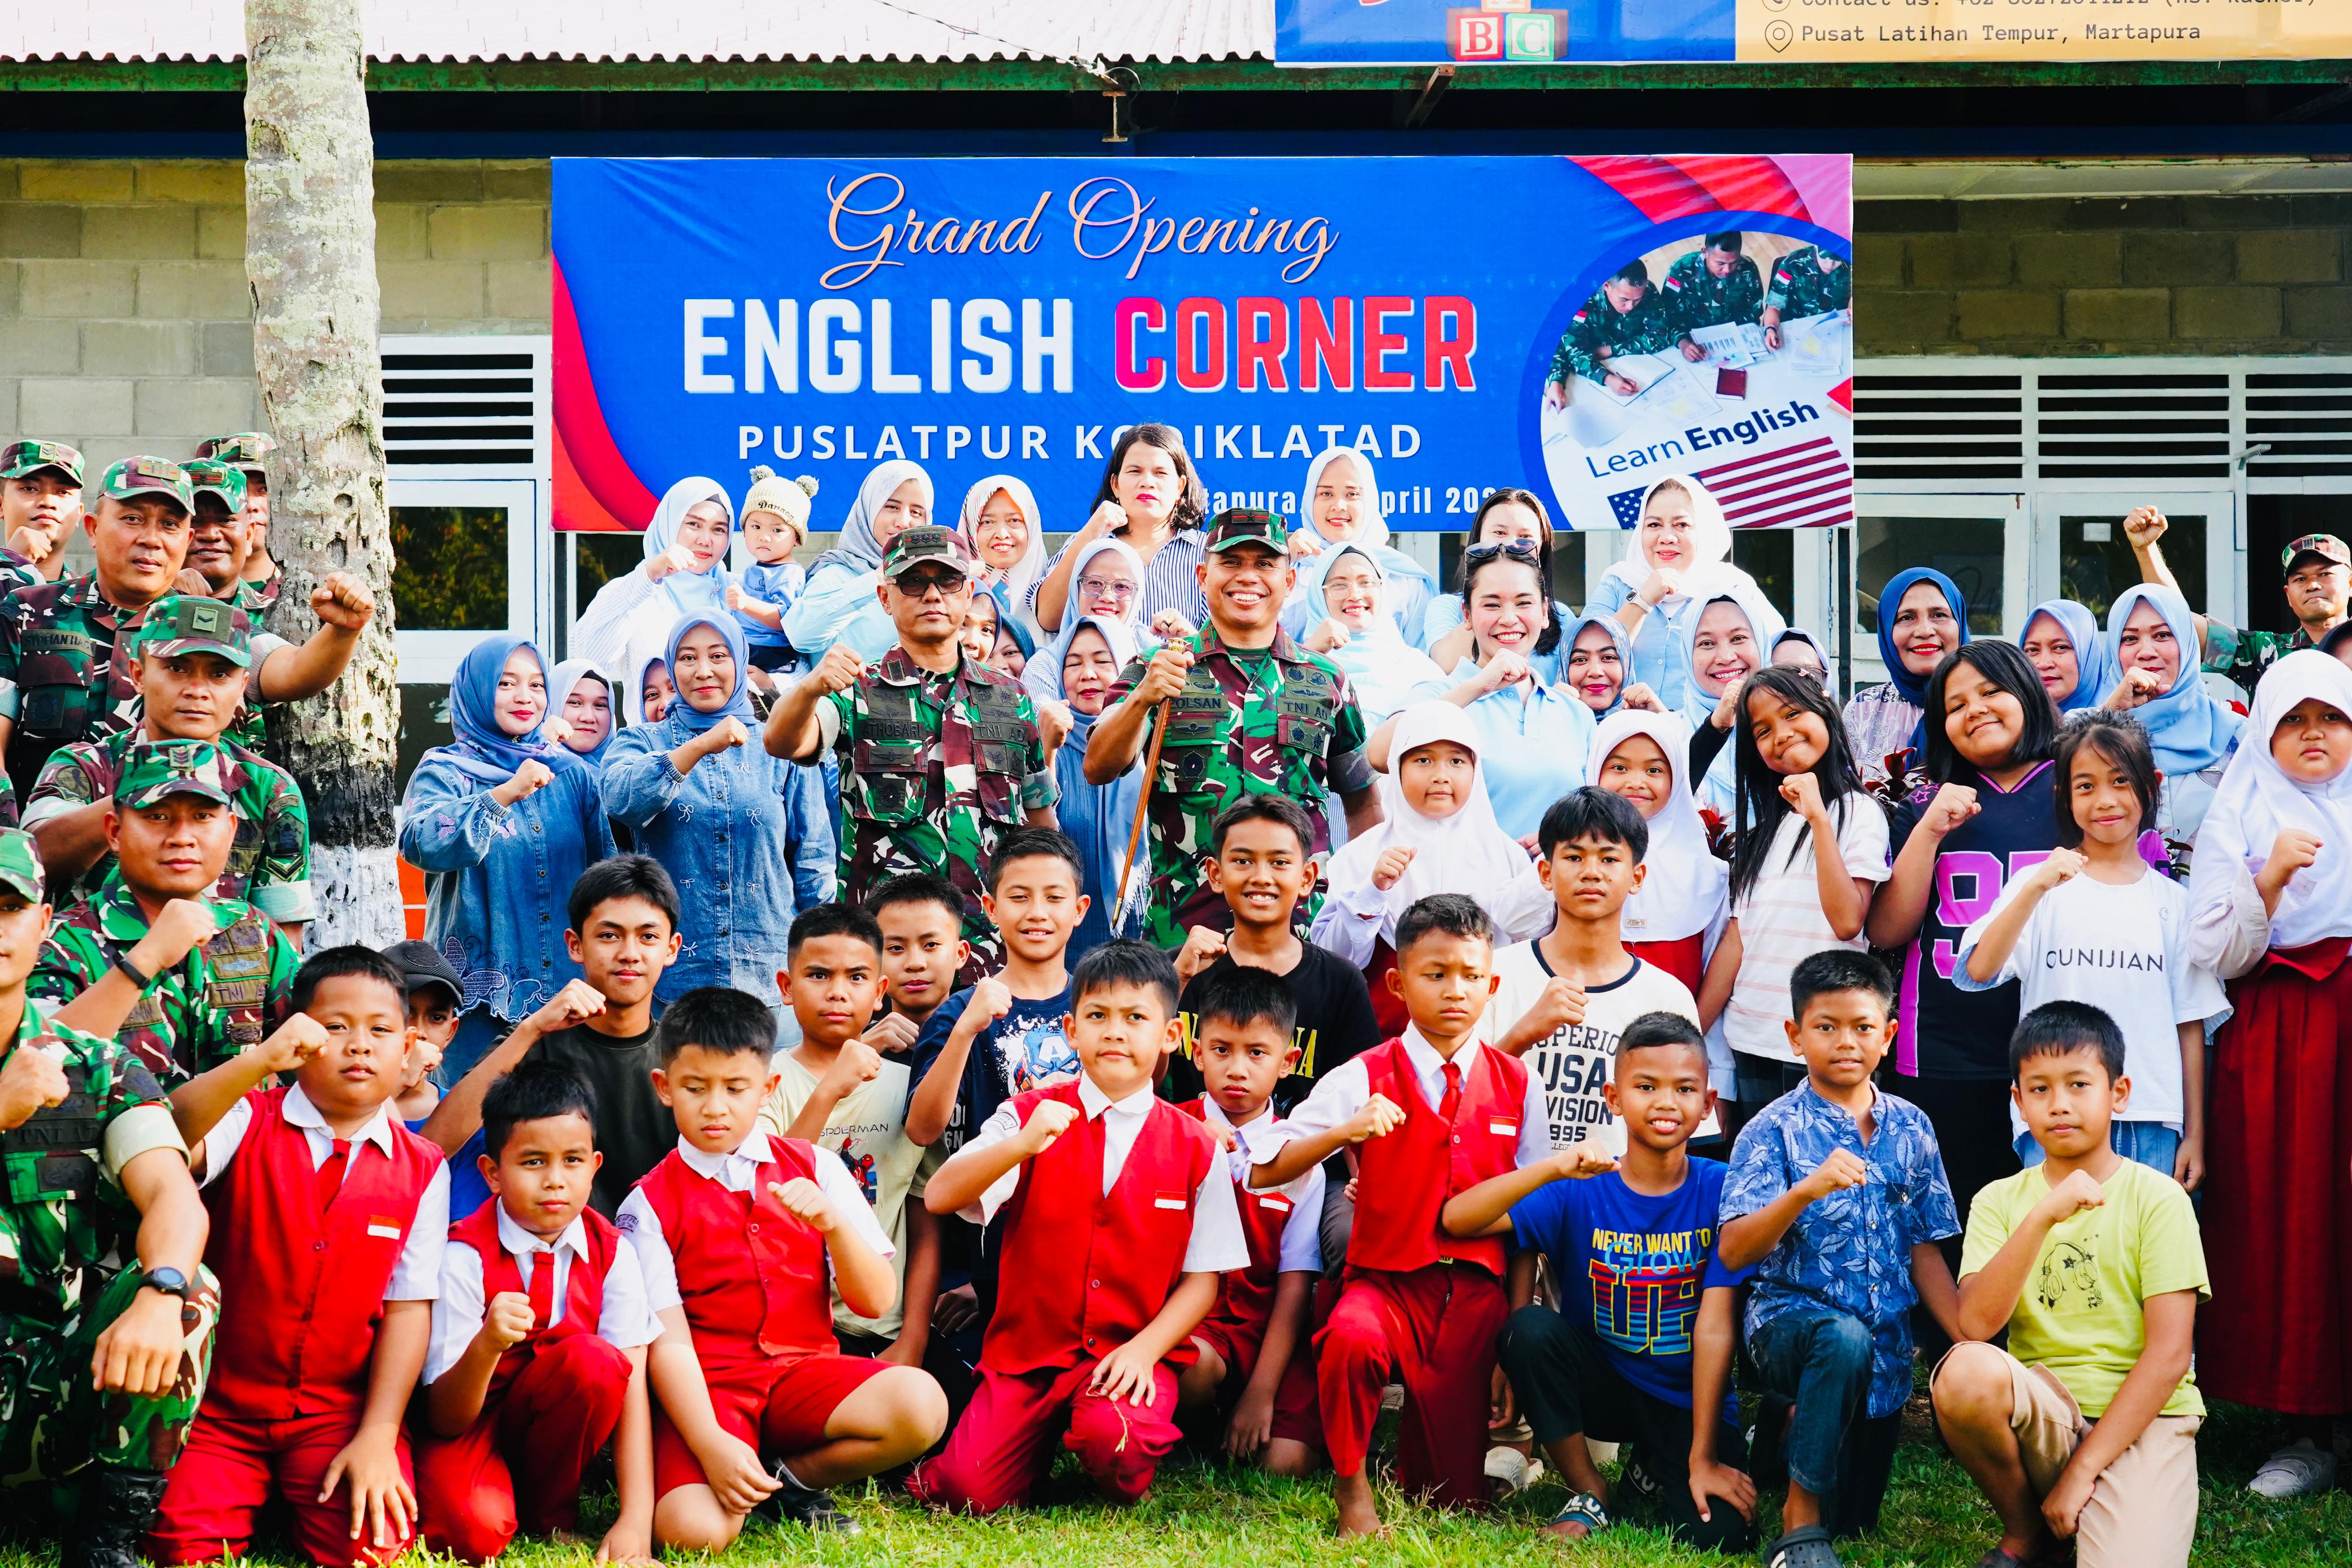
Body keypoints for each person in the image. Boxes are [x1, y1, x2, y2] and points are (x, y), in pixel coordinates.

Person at [1249, 894, 1546, 1536]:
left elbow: (1531, 1219)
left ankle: (1437, 1457)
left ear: (1492, 985)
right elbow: (1263, 1168)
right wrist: (1344, 1132)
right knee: (1350, 1336)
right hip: (1382, 1283)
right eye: (1435, 973)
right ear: (1397, 983)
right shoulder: (1362, 1075)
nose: (1454, 990)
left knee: (1450, 1499)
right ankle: (1352, 1486)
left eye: (1470, 975)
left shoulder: (1520, 1083)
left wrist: (1514, 1322)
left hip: (1475, 1294)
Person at [912, 941, 1244, 1513]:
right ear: (1071, 1030)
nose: (1114, 1032)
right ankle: (1023, 1448)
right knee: (965, 1493)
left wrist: (1144, 1352)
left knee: (1116, 1444)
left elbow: (1202, 1281)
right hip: (1026, 1357)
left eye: (1135, 1017)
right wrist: (1021, 1145)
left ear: (1170, 1035)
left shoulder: (1197, 1146)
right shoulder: (1027, 1116)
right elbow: (941, 1195)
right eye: (1097, 1015)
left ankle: (1102, 1443)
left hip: (1124, 1352)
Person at [620, 986, 946, 1547]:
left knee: (921, 1404)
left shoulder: (814, 1165)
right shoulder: (646, 1203)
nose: (715, 1106)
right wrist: (709, 1443)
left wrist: (835, 1226)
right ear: (664, 1087)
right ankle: (730, 1465)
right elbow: (668, 1345)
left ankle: (789, 1482)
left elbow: (875, 1300)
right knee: (694, 1533)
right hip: (712, 1392)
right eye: (695, 1088)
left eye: (735, 1088)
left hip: (803, 1378)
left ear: (767, 1088)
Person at [150, 947, 446, 1568]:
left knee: (372, 1548)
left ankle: (299, 1491)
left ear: (408, 1048)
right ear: (297, 1033)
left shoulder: (422, 1167)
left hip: (335, 1412)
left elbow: (409, 1306)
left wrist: (378, 1433)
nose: (359, 1045)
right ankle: (248, 1491)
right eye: (335, 1026)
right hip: (220, 1408)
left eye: (380, 1030)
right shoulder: (246, 1118)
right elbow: (168, 1135)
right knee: (182, 1546)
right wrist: (258, 1061)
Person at [0, 824, 217, 1568]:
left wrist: (160, 1291)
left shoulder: (96, 1067)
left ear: (45, 924)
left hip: (45, 1381)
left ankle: (106, 1540)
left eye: (9, 907)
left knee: (188, 1288)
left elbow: (174, 1198)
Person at [1465, 1012, 1757, 1551]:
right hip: (1602, 1383)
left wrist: (1704, 1458)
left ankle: (1655, 1466)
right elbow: (1462, 1219)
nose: (1665, 1102)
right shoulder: (1581, 1185)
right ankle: (1590, 1489)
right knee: (1529, 1330)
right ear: (1614, 1098)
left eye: (1684, 1089)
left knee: (1718, 1536)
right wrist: (1551, 1168)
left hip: (1689, 1399)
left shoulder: (1725, 1190)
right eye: (1646, 1087)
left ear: (1708, 1103)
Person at [1932, 1002, 2208, 1568]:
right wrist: (2041, 1216)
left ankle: (2087, 1499)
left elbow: (2168, 1355)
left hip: (2145, 1420)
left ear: (2118, 1093)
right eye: (2039, 1088)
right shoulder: (1998, 1201)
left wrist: (2082, 1471)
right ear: (2018, 1102)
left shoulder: (2158, 1198)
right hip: (2046, 1408)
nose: (2058, 1103)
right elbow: (1975, 1326)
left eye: (2078, 1084)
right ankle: (2026, 1531)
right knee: (1964, 1371)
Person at [1716, 951, 1962, 1565]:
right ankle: (1798, 1521)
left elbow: (1923, 1245)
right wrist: (1804, 1190)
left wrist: (1965, 1339)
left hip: (1883, 1354)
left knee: (1854, 1517)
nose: (1845, 1041)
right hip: (1787, 1329)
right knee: (1840, 1337)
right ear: (1794, 1035)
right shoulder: (1771, 1128)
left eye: (1861, 1026)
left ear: (1888, 1035)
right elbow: (1735, 1249)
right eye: (1825, 1026)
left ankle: (1782, 1430)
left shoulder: (1912, 1127)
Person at [2183, 649, 2352, 1496]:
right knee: (2290, 1208)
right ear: (2265, 733)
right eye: (2293, 720)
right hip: (2279, 1026)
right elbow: (2214, 949)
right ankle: (2303, 1420)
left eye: (2331, 718)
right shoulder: (2241, 807)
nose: (2313, 734)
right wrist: (2273, 875)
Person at [771, 525, 1062, 974]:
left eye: (947, 581)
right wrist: (810, 687)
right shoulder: (856, 691)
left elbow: (1040, 823)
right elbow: (784, 742)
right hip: (888, 956)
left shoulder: (1011, 698)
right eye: (912, 582)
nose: (932, 595)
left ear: (968, 593)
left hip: (990, 953)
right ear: (885, 598)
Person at [0, 455, 374, 804]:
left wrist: (342, 632)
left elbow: (292, 671)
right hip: (53, 834)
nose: (151, 539)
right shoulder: (28, 612)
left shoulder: (209, 621)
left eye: (170, 525)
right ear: (94, 529)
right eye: (133, 519)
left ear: (186, 538)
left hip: (181, 837)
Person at [1085, 508, 1378, 947]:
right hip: (1185, 934)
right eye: (1231, 562)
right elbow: (1098, 766)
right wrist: (1143, 697)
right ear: (1203, 576)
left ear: (1289, 580)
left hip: (1301, 933)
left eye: (1264, 564)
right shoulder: (1157, 668)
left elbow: (1363, 802)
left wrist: (1359, 897)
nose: (1248, 576)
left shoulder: (1325, 678)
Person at [1957, 712, 2225, 1186]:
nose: (2105, 800)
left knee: (2141, 1237)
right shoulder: (2038, 885)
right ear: (2064, 795)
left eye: (2121, 781)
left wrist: (2197, 1135)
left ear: (2151, 785)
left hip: (2150, 1118)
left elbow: (2190, 1025)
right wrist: (2035, 888)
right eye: (2086, 786)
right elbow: (1979, 970)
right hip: (2053, 1115)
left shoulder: (2175, 903)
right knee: (2056, 1235)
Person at [415, 1065, 659, 1566]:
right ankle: (494, 1498)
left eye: (572, 1161)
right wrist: (487, 1345)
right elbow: (444, 1418)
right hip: (470, 1426)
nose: (555, 1181)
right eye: (533, 1162)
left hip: (550, 1424)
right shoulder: (462, 1255)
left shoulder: (613, 1252)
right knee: (471, 1533)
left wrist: (637, 1519)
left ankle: (547, 1514)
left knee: (595, 1361)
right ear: (492, 1173)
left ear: (594, 1166)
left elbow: (630, 1385)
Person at [1867, 641, 2061, 1236]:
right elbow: (1888, 929)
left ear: (2028, 693)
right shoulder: (1927, 802)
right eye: (1954, 705)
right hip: (1943, 1050)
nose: (1974, 709)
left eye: (1990, 691)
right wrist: (1929, 829)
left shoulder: (2076, 788)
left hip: (2059, 1047)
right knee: (1951, 1227)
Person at [399, 635, 617, 1085]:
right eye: (506, 683)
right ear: (478, 690)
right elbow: (421, 845)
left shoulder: (572, 774)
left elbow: (605, 879)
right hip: (475, 1003)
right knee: (471, 1116)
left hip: (567, 994)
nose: (524, 697)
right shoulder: (445, 771)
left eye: (536, 685)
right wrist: (504, 794)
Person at [25, 595, 313, 933]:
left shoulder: (269, 789)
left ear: (241, 687)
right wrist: (143, 787)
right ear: (138, 674)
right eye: (177, 669)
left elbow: (283, 935)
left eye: (219, 674)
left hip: (220, 963)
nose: (197, 690)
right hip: (92, 959)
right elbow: (37, 858)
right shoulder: (85, 766)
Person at [422, 854, 683, 1222]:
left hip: (661, 1247)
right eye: (609, 935)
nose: (629, 954)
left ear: (671, 948)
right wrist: (531, 1030)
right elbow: (433, 1147)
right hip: (547, 1246)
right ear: (575, 945)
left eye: (648, 937)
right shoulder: (532, 1040)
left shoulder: (685, 1056)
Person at [31, 739, 299, 1088]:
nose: (182, 838)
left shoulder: (255, 932)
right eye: (157, 817)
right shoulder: (62, 945)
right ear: (115, 832)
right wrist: (145, 960)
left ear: (231, 830)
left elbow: (318, 1055)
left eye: (202, 817)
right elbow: (39, 1070)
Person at [600, 612, 834, 1006]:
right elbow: (622, 802)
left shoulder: (779, 745)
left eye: (718, 656)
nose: (704, 671)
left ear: (741, 662)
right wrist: (698, 747)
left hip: (769, 977)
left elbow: (813, 859)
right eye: (688, 658)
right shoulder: (641, 741)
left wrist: (822, 957)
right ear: (672, 668)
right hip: (668, 980)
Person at [760, 904, 945, 1383]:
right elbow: (768, 1196)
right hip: (786, 1327)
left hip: (880, 1326)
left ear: (880, 992)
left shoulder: (909, 1088)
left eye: (857, 977)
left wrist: (913, 1340)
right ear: (786, 986)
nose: (838, 992)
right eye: (819, 975)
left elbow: (924, 1223)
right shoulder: (763, 1082)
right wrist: (829, 1090)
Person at [1699, 669, 1887, 1132]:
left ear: (1825, 712)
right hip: (1751, 1039)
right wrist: (1689, 1030)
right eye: (1763, 731)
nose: (1780, 735)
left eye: (1791, 714)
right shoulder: (1764, 832)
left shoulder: (1860, 813)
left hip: (1824, 1042)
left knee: (1829, 1170)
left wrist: (1818, 818)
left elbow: (1848, 920)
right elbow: (1737, 940)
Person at [1488, 787, 1709, 1154]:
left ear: (1637, 877)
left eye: (1609, 859)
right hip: (1509, 1186)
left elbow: (1681, 1131)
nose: (1591, 873)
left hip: (1617, 1187)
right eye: (1574, 857)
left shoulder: (1667, 996)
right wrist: (1524, 1033)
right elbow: (1455, 1099)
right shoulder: (1494, 974)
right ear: (1545, 872)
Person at [1170, 967, 1326, 1478]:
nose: (1237, 1069)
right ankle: (1198, 1425)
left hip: (1268, 1332)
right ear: (1197, 1052)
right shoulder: (1169, 1127)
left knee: (1287, 1462)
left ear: (1288, 1061)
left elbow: (1295, 1283)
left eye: (1257, 1053)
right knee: (1189, 1372)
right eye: (1222, 1050)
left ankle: (1242, 1412)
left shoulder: (1300, 1156)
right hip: (1194, 1327)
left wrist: (1261, 1392)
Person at [1316, 701, 1551, 1036]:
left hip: (1484, 1035)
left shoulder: (1508, 857)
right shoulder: (1360, 856)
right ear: (1398, 767)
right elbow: (1332, 957)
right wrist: (1372, 891)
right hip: (1381, 1039)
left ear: (1475, 770)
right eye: (1423, 760)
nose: (1441, 775)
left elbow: (1528, 951)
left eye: (1456, 761)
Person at [1163, 795, 1382, 1114]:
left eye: (1279, 862)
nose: (1261, 877)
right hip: (1193, 1144)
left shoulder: (1339, 982)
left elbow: (1363, 1099)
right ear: (1215, 874)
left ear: (1307, 878)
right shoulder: (1181, 967)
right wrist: (1177, 982)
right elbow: (1138, 1081)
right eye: (1243, 861)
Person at [1383, 540, 1589, 841]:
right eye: (1492, 605)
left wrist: (1559, 835)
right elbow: (1379, 754)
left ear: (1545, 612)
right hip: (1463, 871)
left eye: (1524, 603)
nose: (1509, 618)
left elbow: (1597, 810)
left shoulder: (1574, 711)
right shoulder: (1439, 693)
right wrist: (1479, 686)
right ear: (1466, 615)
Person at [906, 829, 1089, 1154]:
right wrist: (965, 1031)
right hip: (995, 1185)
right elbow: (922, 1131)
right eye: (1019, 897)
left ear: (1079, 909)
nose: (1037, 912)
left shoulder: (1098, 1004)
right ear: (991, 908)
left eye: (1054, 898)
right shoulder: (959, 1014)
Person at [1022, 610, 1143, 960]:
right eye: (1073, 664)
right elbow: (1037, 839)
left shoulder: (1151, 738)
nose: (1087, 674)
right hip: (1063, 940)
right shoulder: (1047, 742)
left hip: (1142, 937)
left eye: (1103, 661)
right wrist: (1046, 750)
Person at [1588, 475, 1764, 713]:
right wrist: (1643, 600)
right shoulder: (1618, 582)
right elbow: (1584, 656)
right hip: (1624, 728)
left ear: (1704, 531)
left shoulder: (1734, 588)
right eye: (1654, 525)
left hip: (1712, 729)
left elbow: (1774, 658)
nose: (1667, 537)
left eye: (1682, 525)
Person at [2126, 506, 2351, 691]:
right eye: (2300, 579)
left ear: (2350, 584)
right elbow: (2180, 619)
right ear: (2289, 596)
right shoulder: (2264, 651)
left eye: (2325, 575)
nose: (2313, 585)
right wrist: (2146, 550)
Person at [1586, 711, 1730, 994]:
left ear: (1677, 780)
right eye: (1619, 767)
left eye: (1654, 771)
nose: (1636, 782)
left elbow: (1715, 964)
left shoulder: (1707, 874)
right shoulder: (1572, 861)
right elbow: (1518, 921)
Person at [2102, 582, 2243, 859]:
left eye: (2163, 635)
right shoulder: (2089, 733)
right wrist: (2111, 714)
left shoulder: (2238, 738)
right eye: (2129, 639)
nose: (2146, 651)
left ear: (2187, 644)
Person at [1032, 423, 1210, 634]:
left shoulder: (1207, 550)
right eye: (1135, 471)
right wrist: (1089, 535)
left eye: (1160, 473)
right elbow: (1048, 619)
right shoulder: (1088, 543)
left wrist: (1191, 640)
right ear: (1115, 484)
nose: (1147, 482)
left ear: (1180, 487)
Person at [571, 476, 735, 678]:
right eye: (694, 524)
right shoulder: (633, 592)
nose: (705, 540)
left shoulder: (738, 595)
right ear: (669, 524)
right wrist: (648, 576)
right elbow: (586, 662)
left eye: (719, 529)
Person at [782, 460, 936, 666]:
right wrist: (876, 580)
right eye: (892, 507)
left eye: (916, 512)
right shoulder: (836, 574)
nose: (903, 522)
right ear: (868, 509)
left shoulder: (930, 583)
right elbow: (801, 636)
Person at [1279, 445, 1436, 643]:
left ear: (1370, 501)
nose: (1339, 506)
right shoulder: (1289, 572)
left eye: (1352, 494)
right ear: (1309, 500)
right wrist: (1281, 561)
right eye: (1326, 494)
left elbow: (1421, 655)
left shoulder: (1405, 579)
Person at [1293, 543, 1451, 727]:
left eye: (1366, 582)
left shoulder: (1421, 671)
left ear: (1382, 588)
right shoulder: (1297, 667)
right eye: (1339, 585)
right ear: (1318, 596)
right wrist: (1308, 657)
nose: (1355, 595)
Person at [1417, 490, 1573, 674]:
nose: (1511, 544)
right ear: (1478, 539)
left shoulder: (1563, 615)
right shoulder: (1446, 606)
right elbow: (1444, 665)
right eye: (1499, 533)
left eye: (1525, 537)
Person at [1843, 566, 1965, 788]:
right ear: (1886, 629)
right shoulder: (1863, 709)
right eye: (1907, 618)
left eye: (1939, 615)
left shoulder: (1986, 702)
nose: (1925, 631)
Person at [1679, 583, 1788, 816]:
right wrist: (1715, 729)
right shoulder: (1669, 737)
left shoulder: (1793, 728)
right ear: (1687, 654)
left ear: (1761, 643)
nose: (1726, 657)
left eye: (1738, 638)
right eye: (1707, 643)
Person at [1546, 259, 1677, 404]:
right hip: (1590, 373)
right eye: (1624, 299)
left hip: (1637, 364)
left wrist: (1611, 350)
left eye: (1637, 300)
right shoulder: (1581, 301)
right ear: (1607, 285)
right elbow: (1573, 350)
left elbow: (1659, 338)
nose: (1630, 307)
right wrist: (1607, 378)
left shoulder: (1648, 291)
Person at [726, 465, 816, 673]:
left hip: (769, 653)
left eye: (777, 530)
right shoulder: (758, 567)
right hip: (747, 645)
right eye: (756, 527)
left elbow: (784, 620)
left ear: (797, 538)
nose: (764, 537)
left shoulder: (789, 573)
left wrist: (745, 603)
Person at [867, 871, 971, 1046]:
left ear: (960, 954)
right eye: (896, 948)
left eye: (931, 945)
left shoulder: (993, 1043)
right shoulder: (852, 1047)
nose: (915, 964)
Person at [958, 474, 1048, 645]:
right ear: (971, 528)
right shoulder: (947, 590)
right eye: (987, 522)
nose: (1002, 534)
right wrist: (956, 577)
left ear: (1031, 525)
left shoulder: (1059, 590)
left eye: (1014, 520)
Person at [191, 433, 280, 605]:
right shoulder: (160, 591)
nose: (251, 504)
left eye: (265, 489)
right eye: (236, 491)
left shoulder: (306, 588)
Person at [382, 939, 462, 1125]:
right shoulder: (332, 1103)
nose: (418, 1032)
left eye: (437, 1018)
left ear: (450, 1033)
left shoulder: (461, 1115)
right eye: (405, 1014)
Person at [0, 438, 83, 588]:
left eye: (63, 492)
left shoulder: (91, 598)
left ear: (79, 513)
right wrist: (10, 565)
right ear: (1, 505)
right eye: (30, 489)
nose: (48, 502)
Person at [1666, 232, 1765, 354]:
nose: (1727, 270)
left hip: (1737, 339)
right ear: (1705, 252)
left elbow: (1754, 311)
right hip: (1694, 341)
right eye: (1720, 263)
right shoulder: (1681, 269)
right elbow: (1670, 313)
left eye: (1734, 263)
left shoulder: (1747, 268)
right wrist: (1683, 342)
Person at [2019, 598, 2120, 714]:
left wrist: (2108, 710)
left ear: (2088, 656)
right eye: (2033, 650)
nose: (2044, 664)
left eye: (2061, 648)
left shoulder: (2125, 717)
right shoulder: (2013, 718)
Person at [1761, 245, 1851, 350]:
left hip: (1835, 332)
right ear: (1816, 246)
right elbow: (1774, 307)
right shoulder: (1791, 264)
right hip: (1796, 331)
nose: (1830, 265)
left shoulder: (1851, 264)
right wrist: (1770, 329)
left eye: (1838, 260)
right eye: (1825, 258)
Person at [1557, 612, 1637, 718]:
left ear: (1626, 665)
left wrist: (1655, 718)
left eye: (1608, 658)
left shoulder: (1648, 722)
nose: (1595, 672)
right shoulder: (1543, 719)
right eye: (1580, 660)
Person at [544, 660, 617, 769]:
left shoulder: (627, 770)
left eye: (600, 705)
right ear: (551, 705)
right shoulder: (525, 767)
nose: (588, 718)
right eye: (575, 703)